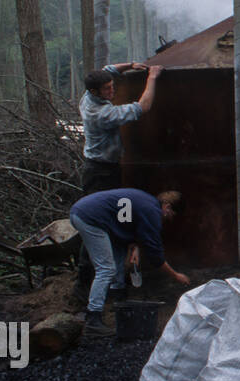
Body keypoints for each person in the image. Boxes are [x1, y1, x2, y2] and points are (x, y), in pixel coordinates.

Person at [73, 62, 161, 305]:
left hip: (103, 168)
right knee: (96, 223)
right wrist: (152, 77)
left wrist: (130, 65)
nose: (112, 91)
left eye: (112, 87)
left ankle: (114, 280)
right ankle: (86, 283)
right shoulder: (101, 113)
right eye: (108, 89)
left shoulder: (89, 96)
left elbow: (108, 68)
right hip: (100, 172)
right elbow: (144, 106)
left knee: (113, 221)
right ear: (95, 91)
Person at [69, 188, 189, 337]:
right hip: (90, 218)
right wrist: (175, 275)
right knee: (106, 269)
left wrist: (135, 247)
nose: (167, 219)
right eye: (170, 215)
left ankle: (118, 297)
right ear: (168, 207)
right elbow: (155, 254)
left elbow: (125, 225)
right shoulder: (152, 212)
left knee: (118, 252)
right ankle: (93, 320)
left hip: (86, 212)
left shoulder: (147, 202)